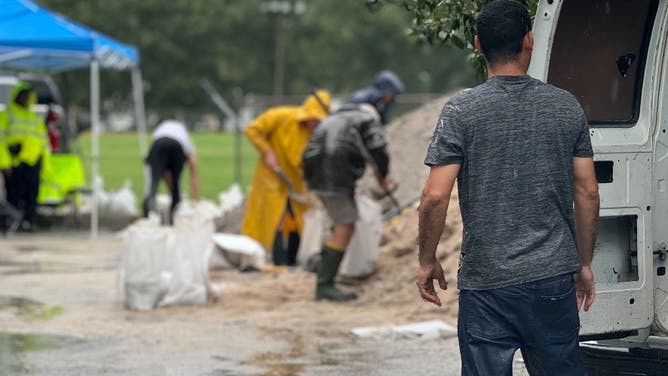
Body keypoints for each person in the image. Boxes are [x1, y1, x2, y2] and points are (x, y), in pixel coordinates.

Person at [416, 1, 600, 374]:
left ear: (478, 45)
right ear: (529, 40)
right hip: (552, 280)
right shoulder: (566, 107)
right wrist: (583, 263)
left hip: (486, 285)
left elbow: (434, 196)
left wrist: (427, 260)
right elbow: (588, 193)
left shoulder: (460, 111)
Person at [303, 103, 392, 301]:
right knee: (346, 227)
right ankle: (324, 284)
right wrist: (383, 177)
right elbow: (377, 148)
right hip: (334, 176)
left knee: (340, 225)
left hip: (316, 174)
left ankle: (323, 272)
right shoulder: (367, 120)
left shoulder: (335, 118)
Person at [241, 90, 331, 265]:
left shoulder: (316, 136)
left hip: (297, 183)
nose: (315, 123)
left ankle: (294, 259)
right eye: (314, 119)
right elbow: (253, 130)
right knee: (274, 217)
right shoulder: (281, 116)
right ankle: (272, 257)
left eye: (319, 121)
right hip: (272, 176)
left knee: (298, 220)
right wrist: (267, 150)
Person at [0, 81, 52, 231]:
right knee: (14, 195)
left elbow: (44, 144)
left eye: (28, 96)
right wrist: (4, 162)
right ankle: (10, 223)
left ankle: (28, 222)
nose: (26, 99)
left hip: (33, 162)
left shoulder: (34, 118)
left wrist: (45, 166)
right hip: (14, 162)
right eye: (23, 96)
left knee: (31, 196)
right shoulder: (6, 114)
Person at [142, 119, 200, 225]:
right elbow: (193, 171)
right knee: (176, 184)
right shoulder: (186, 139)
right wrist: (196, 201)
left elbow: (162, 170)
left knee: (153, 184)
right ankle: (174, 215)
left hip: (157, 146)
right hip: (176, 148)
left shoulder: (161, 129)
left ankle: (148, 216)